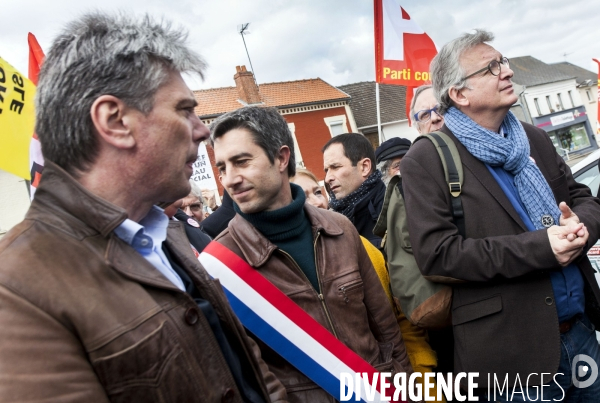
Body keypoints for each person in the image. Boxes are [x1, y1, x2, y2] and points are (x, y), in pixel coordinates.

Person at [0, 13, 286, 403]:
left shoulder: (168, 234)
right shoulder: (15, 288)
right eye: (184, 110)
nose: (203, 130)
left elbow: (252, 372)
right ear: (115, 121)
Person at [401, 29, 600, 401]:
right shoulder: (426, 160)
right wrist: (542, 247)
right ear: (459, 94)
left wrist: (580, 227)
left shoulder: (532, 137)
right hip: (512, 359)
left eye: (503, 61)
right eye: (491, 68)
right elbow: (439, 255)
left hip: (581, 334)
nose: (506, 71)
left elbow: (583, 198)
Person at [210, 106, 413, 402]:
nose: (229, 180)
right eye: (222, 168)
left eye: (241, 162)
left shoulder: (341, 229)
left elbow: (386, 328)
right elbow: (244, 374)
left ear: (281, 158)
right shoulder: (222, 263)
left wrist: (403, 386)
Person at [291, 168, 446, 403]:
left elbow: (399, 316)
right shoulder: (284, 266)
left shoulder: (357, 243)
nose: (316, 202)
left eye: (317, 192)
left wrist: (422, 372)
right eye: (303, 195)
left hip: (394, 379)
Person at [322, 133, 386, 249]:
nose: (327, 178)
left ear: (365, 167)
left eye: (335, 167)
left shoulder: (394, 208)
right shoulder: (331, 223)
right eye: (326, 170)